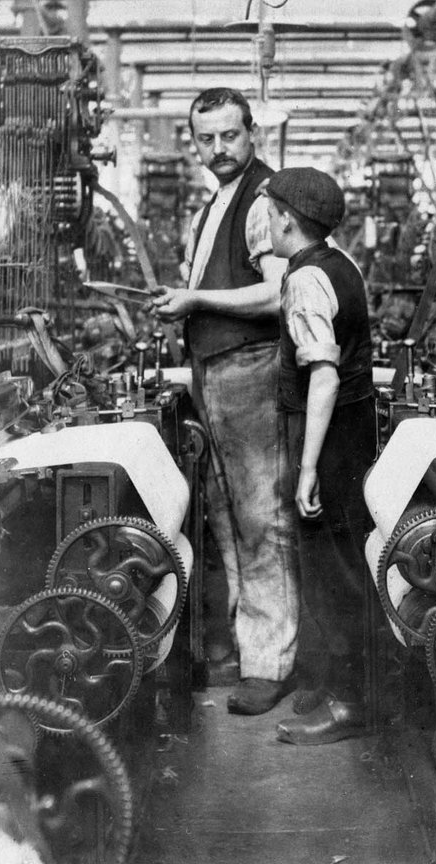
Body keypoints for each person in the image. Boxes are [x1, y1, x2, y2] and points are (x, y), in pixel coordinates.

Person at [151, 88, 299, 716]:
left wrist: (195, 301)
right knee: (226, 516)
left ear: (252, 132)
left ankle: (271, 664)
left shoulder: (262, 200)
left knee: (262, 517)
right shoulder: (217, 202)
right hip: (215, 372)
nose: (219, 149)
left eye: (230, 136)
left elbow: (275, 295)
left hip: (251, 369)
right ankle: (249, 649)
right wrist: (182, 303)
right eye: (206, 139)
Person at [264, 167, 377, 745]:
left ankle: (350, 703)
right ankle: (334, 680)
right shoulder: (341, 262)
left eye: (268, 211)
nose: (265, 221)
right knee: (335, 558)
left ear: (286, 218)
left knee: (334, 569)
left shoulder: (307, 279)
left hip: (330, 437)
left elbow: (325, 376)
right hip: (352, 432)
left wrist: (308, 467)